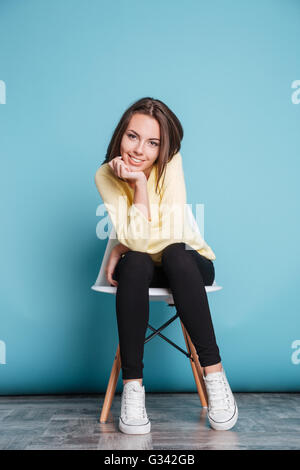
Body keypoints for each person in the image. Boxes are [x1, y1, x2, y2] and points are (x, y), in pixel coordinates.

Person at [94, 97, 238, 434]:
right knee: (134, 264)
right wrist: (138, 190)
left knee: (173, 252)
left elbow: (171, 232)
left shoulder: (172, 163)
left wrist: (122, 242)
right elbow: (141, 242)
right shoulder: (106, 175)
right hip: (145, 268)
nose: (140, 150)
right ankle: (133, 389)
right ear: (120, 135)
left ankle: (215, 376)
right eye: (133, 136)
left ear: (164, 147)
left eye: (152, 142)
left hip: (190, 263)